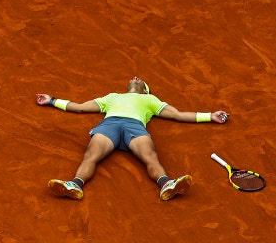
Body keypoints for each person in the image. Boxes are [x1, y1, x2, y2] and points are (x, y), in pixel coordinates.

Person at [35, 76, 229, 201]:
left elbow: (177, 114)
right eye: (134, 78)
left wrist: (209, 115)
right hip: (109, 125)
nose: (136, 77)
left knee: (150, 157)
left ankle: (166, 184)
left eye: (141, 80)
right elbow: (80, 107)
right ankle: (75, 184)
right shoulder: (112, 97)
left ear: (145, 90)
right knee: (90, 156)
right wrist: (52, 100)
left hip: (134, 126)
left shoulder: (150, 100)